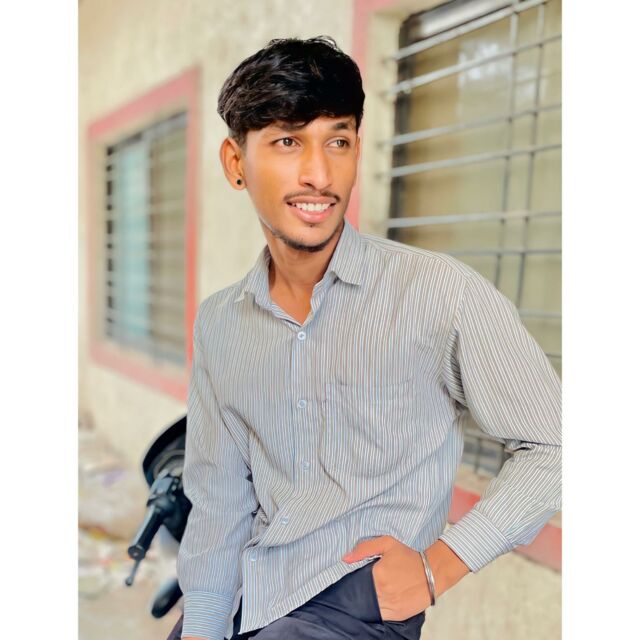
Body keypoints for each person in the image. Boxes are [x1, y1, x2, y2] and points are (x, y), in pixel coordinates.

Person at [167, 36, 562, 640]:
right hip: (253, 587)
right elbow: (219, 499)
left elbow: (556, 442)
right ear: (235, 163)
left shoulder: (437, 292)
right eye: (288, 142)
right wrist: (201, 626)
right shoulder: (221, 323)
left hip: (357, 600)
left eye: (339, 141)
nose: (319, 175)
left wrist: (440, 566)